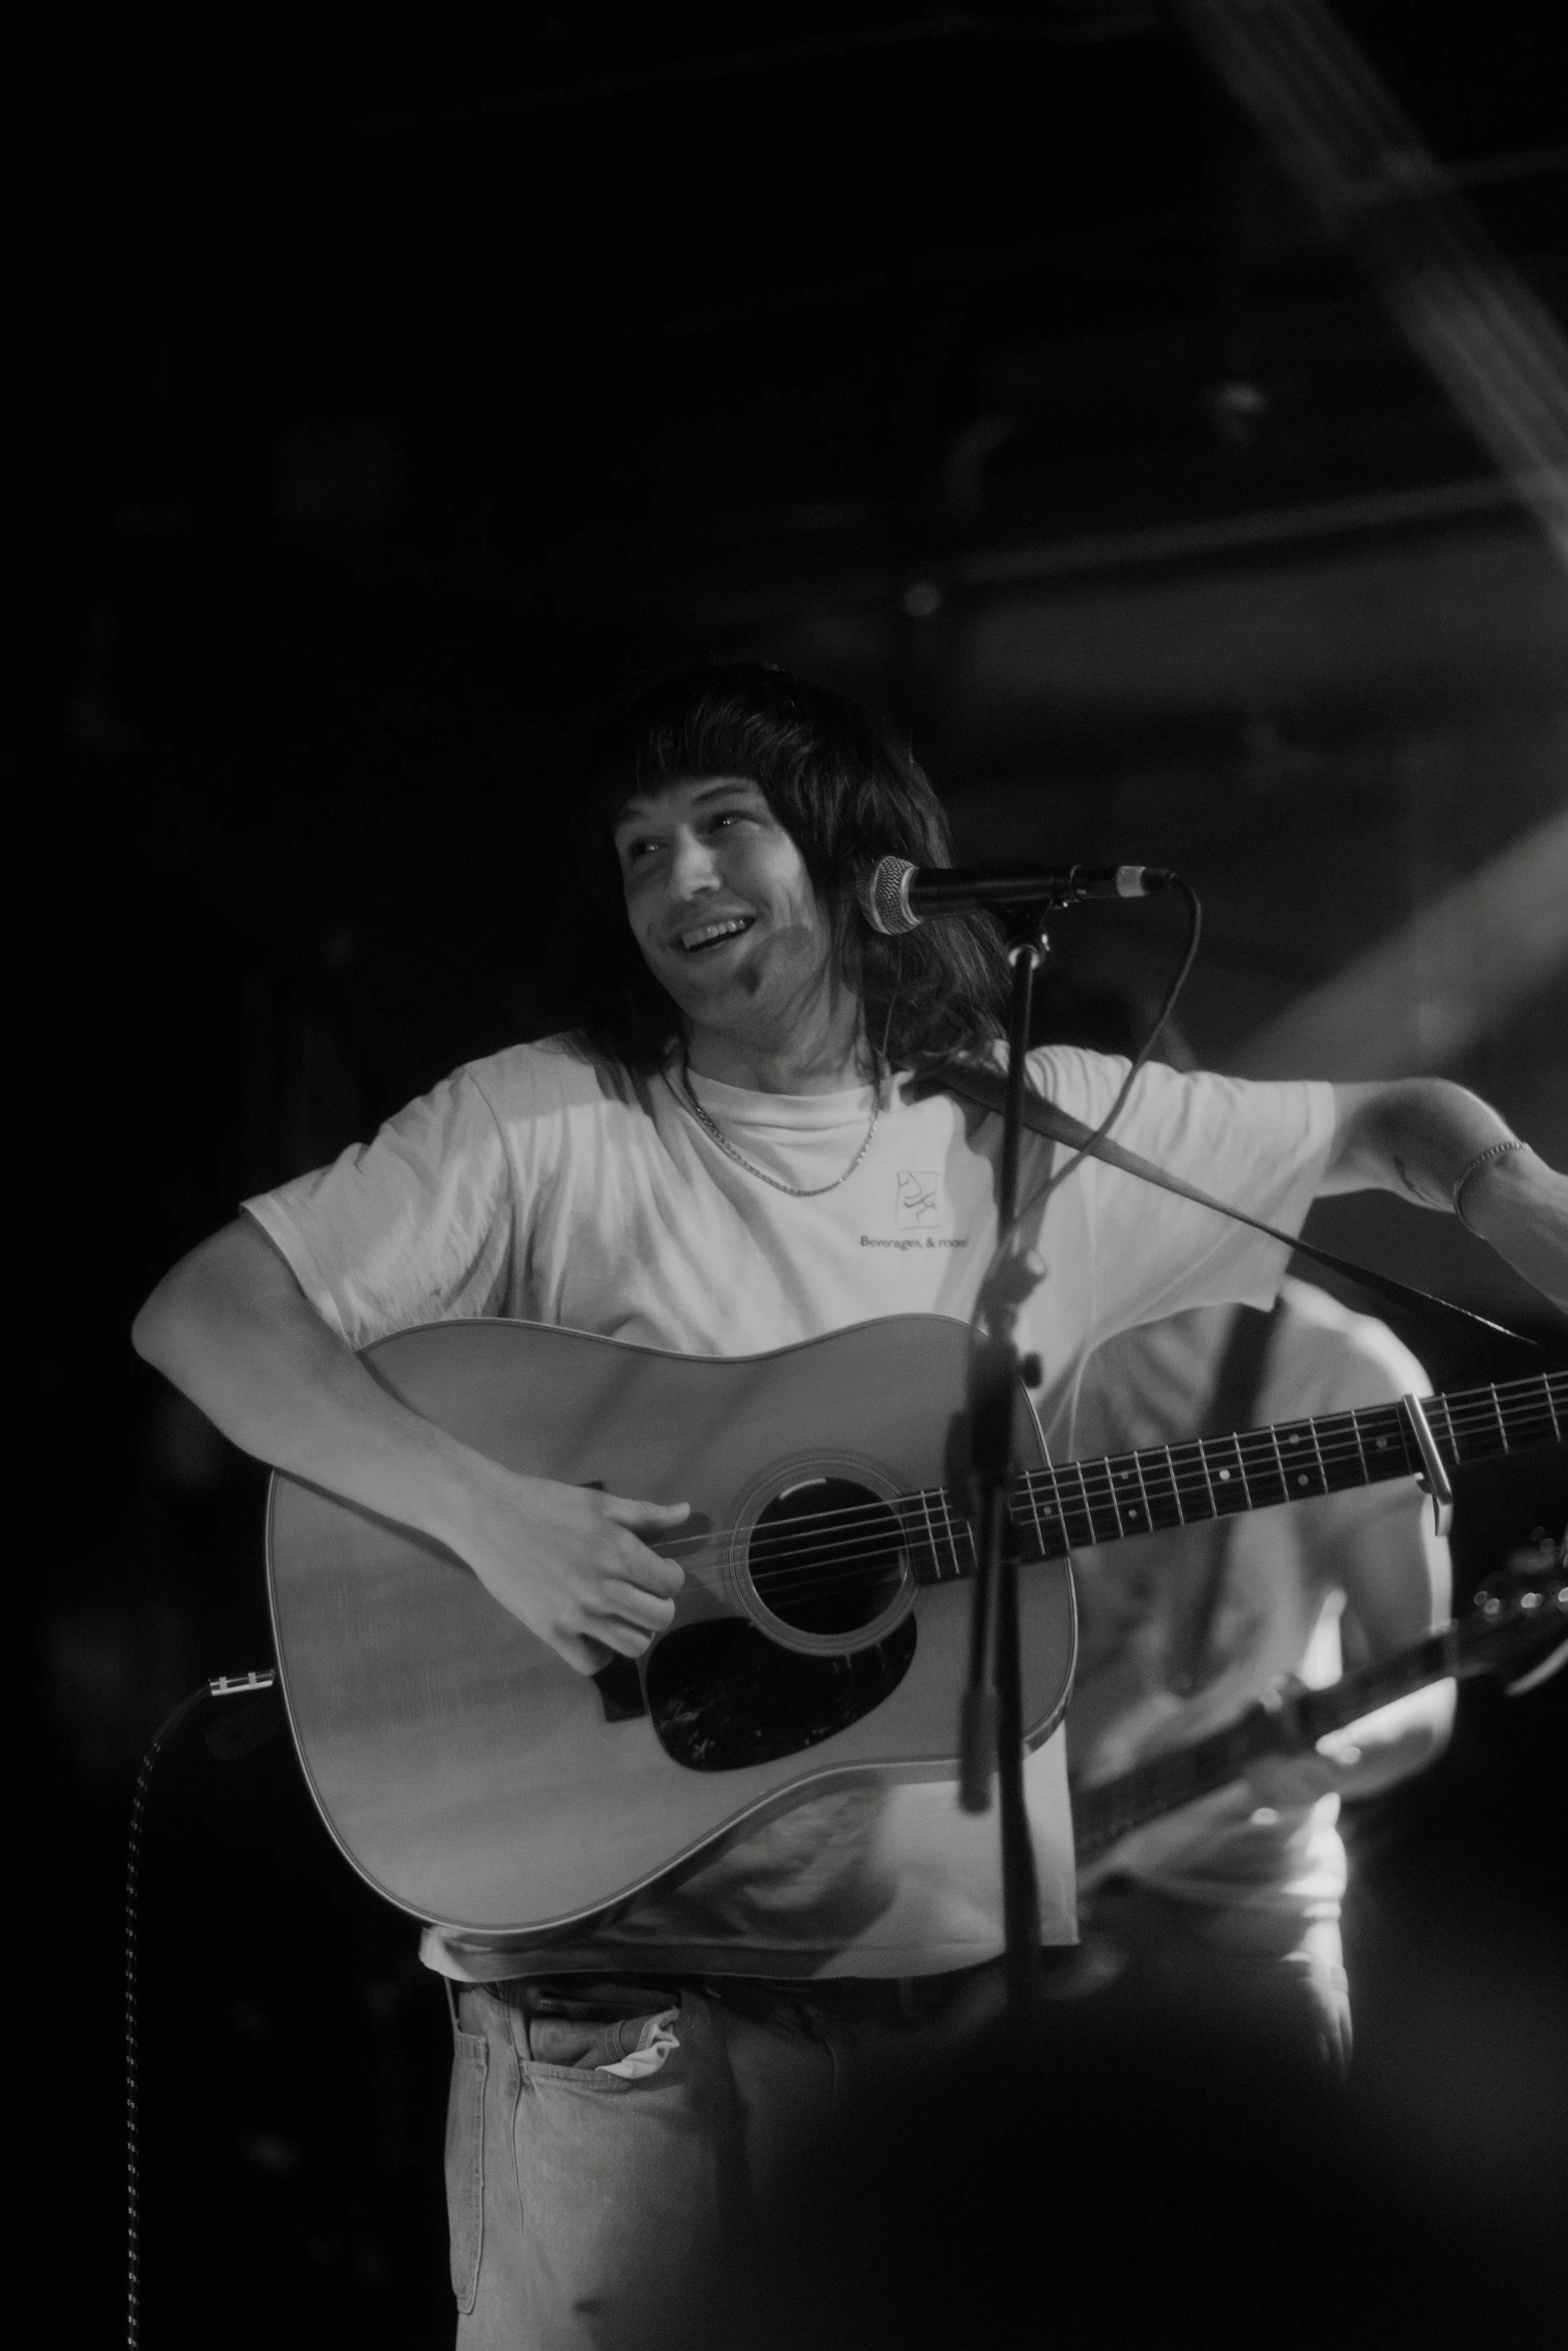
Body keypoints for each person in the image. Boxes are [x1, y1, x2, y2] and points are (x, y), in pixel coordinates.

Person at [132, 664, 1568, 2349]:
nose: (678, 882)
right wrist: (486, 1515)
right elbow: (205, 1313)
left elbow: (1402, 1125)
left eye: (725, 825)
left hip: (940, 2009)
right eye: (640, 849)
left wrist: (1513, 1196)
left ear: (857, 855)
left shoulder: (1019, 1130)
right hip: (613, 1992)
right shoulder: (546, 1118)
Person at [1032, 985, 1455, 2071]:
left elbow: (1422, 1689)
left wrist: (1329, 1749)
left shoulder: (1340, 1374)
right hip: (991, 1930)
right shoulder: (983, 1368)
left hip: (1242, 1934)